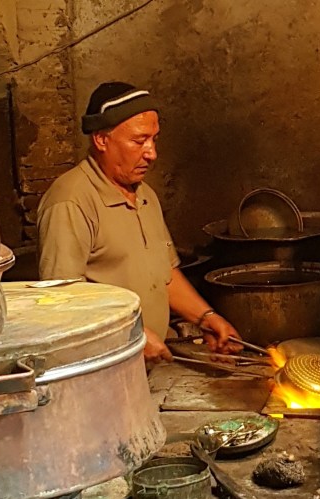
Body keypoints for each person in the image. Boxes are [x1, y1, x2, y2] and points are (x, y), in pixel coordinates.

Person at [37, 82, 242, 363]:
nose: (151, 153)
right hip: (108, 366)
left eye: (154, 139)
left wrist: (206, 317)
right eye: (138, 141)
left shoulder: (145, 195)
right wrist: (133, 335)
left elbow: (164, 275)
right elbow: (63, 299)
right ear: (101, 139)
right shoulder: (71, 202)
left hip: (152, 359)